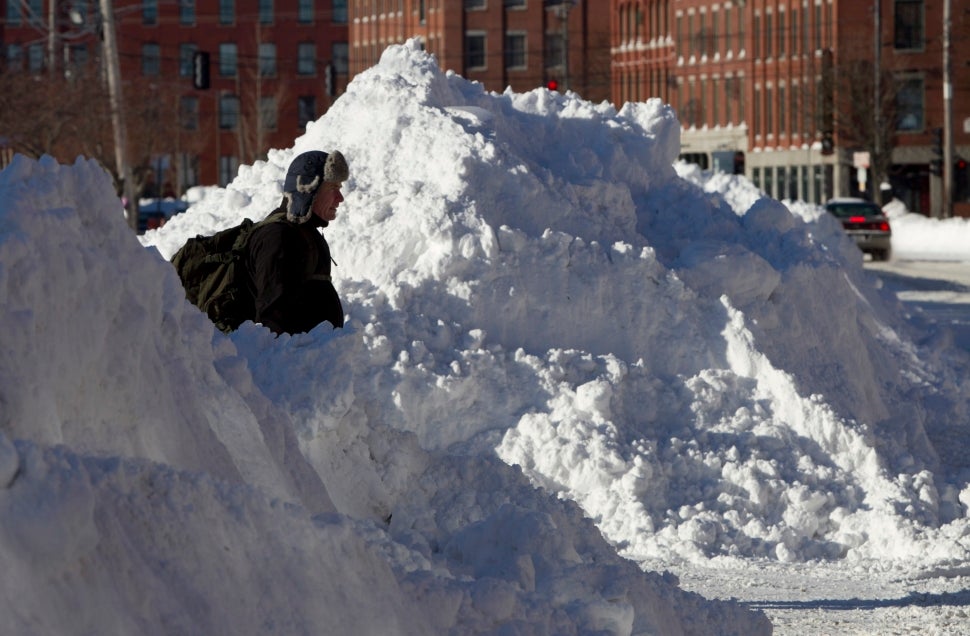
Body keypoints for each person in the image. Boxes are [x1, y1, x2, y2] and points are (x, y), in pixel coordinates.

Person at [244, 149, 349, 335]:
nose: (340, 199)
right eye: (333, 188)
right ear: (309, 189)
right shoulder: (279, 237)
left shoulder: (304, 233)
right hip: (294, 362)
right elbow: (272, 322)